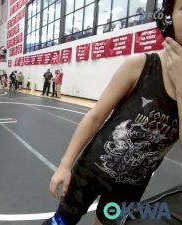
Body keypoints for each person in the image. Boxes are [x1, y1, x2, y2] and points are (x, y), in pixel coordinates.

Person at [42, 1, 181, 224]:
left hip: (131, 186)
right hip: (90, 171)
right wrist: (65, 164)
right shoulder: (141, 65)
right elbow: (96, 115)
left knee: (106, 223)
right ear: (168, 17)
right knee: (61, 221)